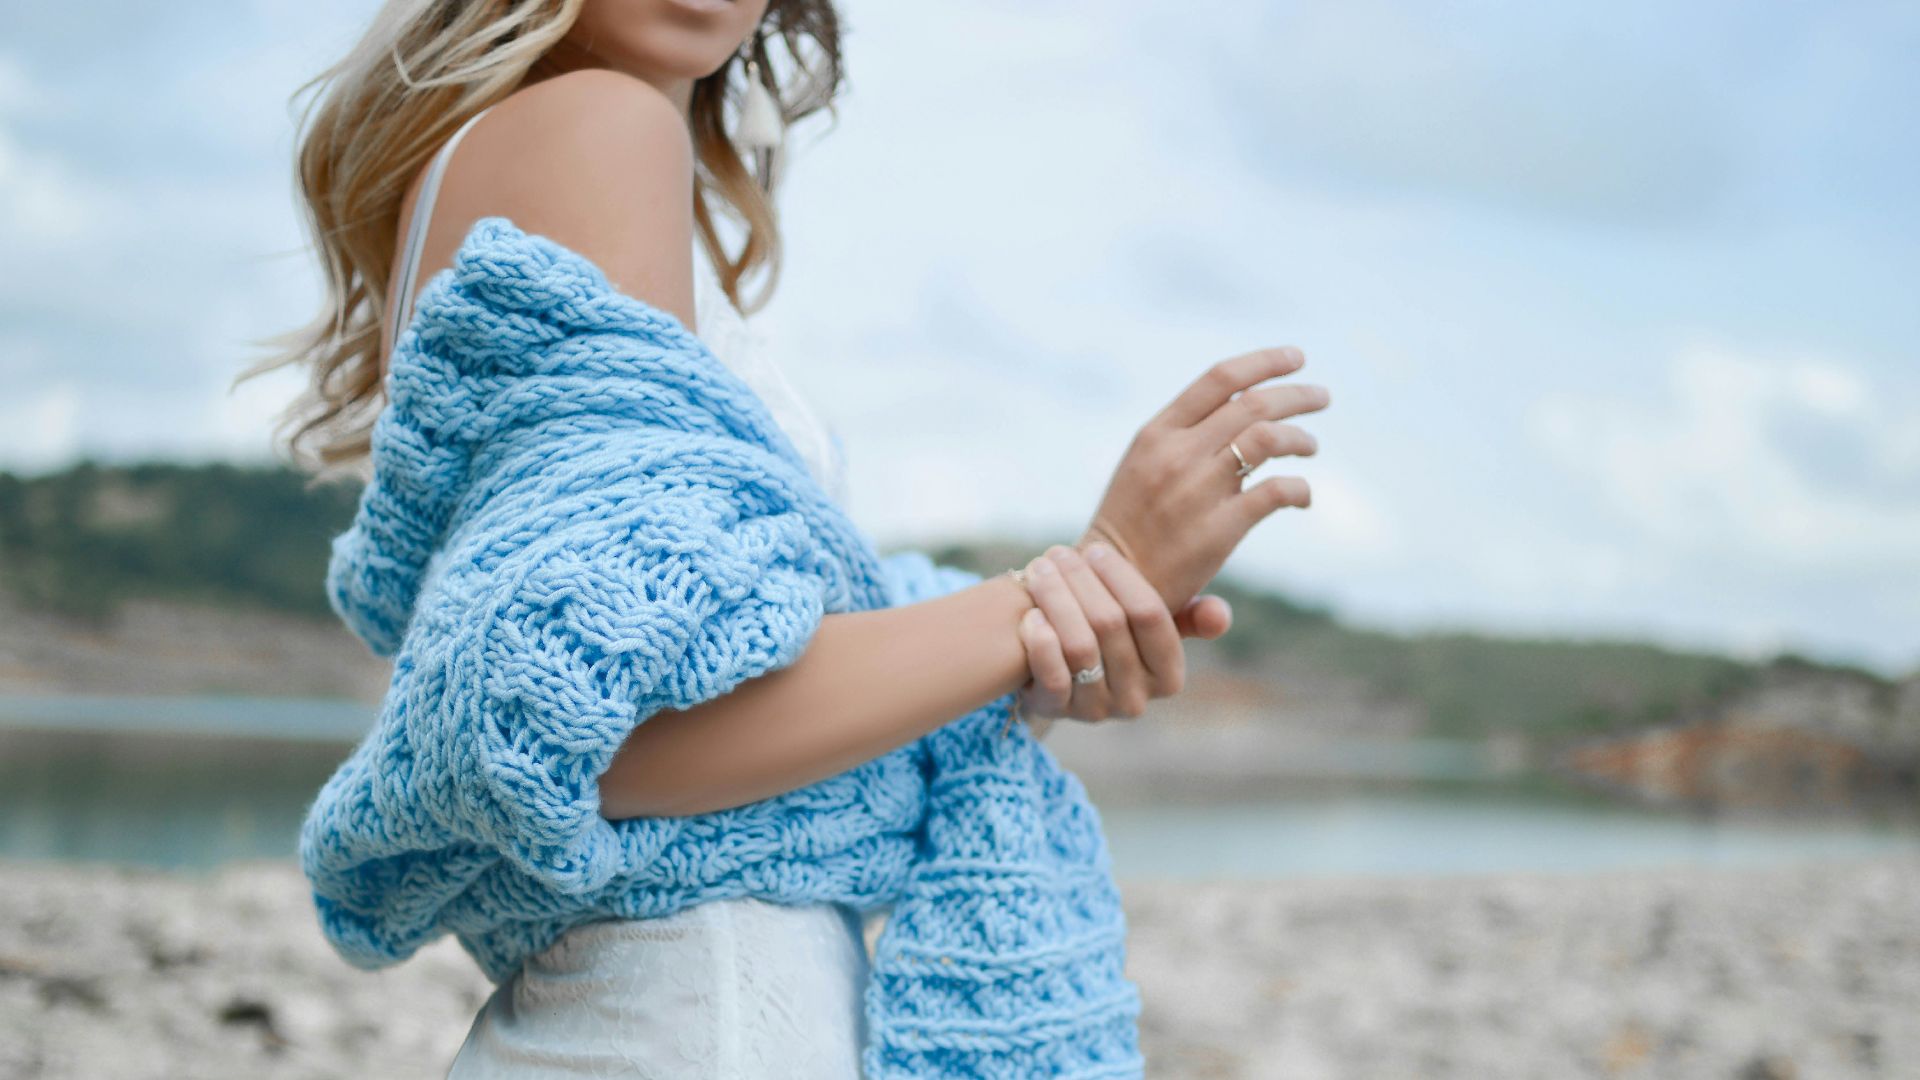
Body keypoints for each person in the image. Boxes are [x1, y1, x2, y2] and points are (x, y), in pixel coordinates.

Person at [253, 0, 1328, 1073]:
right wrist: (1072, 587)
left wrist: (1056, 634)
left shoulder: (523, 158)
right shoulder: (601, 125)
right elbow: (603, 736)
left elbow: (687, 701)